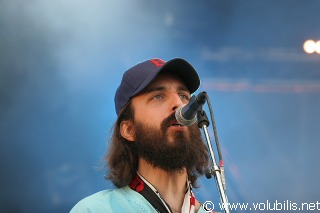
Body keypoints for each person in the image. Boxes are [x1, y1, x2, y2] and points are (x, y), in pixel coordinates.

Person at [70, 58, 212, 213]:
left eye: (184, 95)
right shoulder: (95, 210)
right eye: (158, 96)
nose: (178, 103)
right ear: (130, 130)